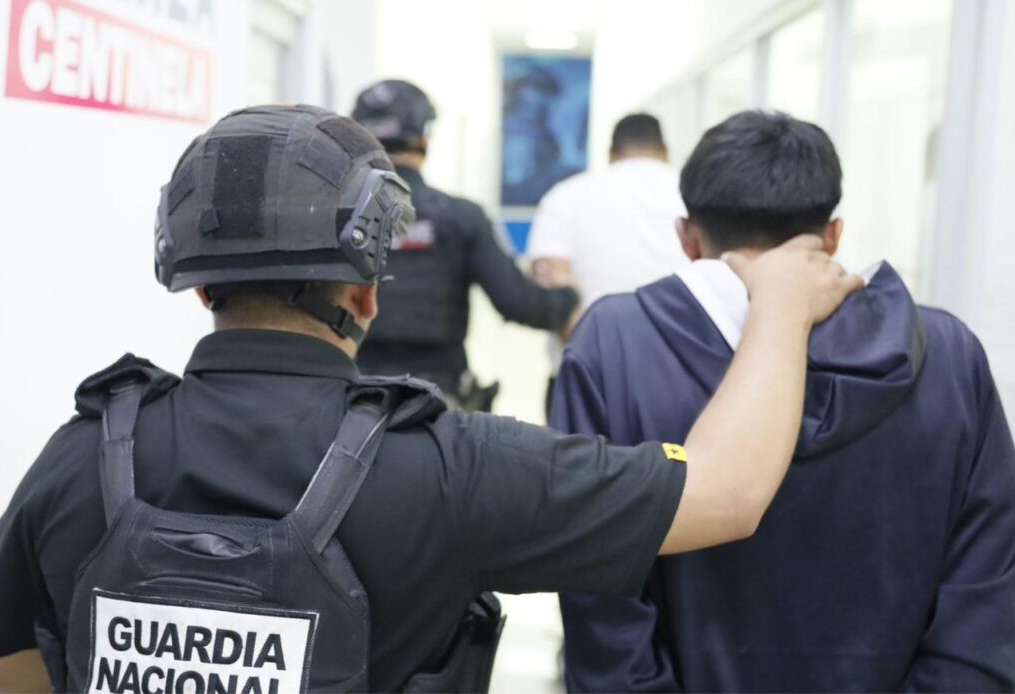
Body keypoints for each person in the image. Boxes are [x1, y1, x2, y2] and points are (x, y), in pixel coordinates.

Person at [0, 105, 859, 693]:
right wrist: (781, 304)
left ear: (200, 287)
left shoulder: (82, 453)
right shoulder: (451, 468)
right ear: (365, 294)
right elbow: (728, 492)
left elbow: (10, 665)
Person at [555, 111, 1015, 692]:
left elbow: (601, 607)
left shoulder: (613, 348)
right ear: (833, 235)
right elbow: (987, 593)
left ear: (687, 237)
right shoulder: (950, 356)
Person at [350, 79, 577, 408]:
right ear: (424, 140)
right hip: (436, 402)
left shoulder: (335, 218)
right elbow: (519, 303)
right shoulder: (461, 217)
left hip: (351, 397)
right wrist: (569, 297)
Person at [527, 113, 690, 406]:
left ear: (611, 154)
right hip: (679, 382)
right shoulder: (693, 194)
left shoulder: (565, 196)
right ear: (665, 152)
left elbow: (550, 289)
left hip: (585, 381)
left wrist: (601, 356)